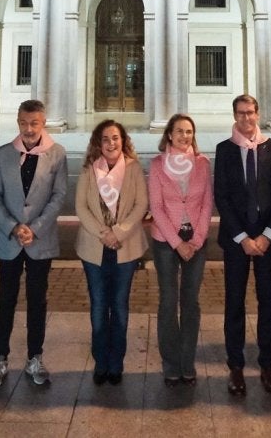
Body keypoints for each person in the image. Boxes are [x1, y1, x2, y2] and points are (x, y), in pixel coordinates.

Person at [0, 98, 68, 388]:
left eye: (34, 123)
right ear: (18, 122)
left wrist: (34, 228)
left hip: (39, 240)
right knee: (5, 299)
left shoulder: (57, 154)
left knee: (37, 301)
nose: (29, 128)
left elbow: (59, 196)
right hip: (9, 240)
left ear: (43, 123)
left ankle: (35, 356)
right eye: (23, 122)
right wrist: (13, 226)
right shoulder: (3, 153)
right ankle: (0, 357)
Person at [214, 93, 271, 396]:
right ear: (234, 116)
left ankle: (268, 365)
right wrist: (243, 238)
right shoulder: (225, 150)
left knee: (267, 302)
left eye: (251, 112)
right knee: (234, 303)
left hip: (267, 240)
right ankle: (235, 366)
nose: (246, 118)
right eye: (241, 113)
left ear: (258, 114)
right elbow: (222, 197)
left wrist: (266, 235)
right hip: (237, 241)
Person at [75, 119, 149, 385]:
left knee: (119, 306)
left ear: (123, 140)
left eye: (115, 138)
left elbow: (141, 205)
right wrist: (103, 234)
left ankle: (116, 362)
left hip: (125, 246)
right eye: (105, 139)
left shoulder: (133, 169)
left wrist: (118, 232)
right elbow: (81, 207)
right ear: (98, 142)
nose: (111, 143)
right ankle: (100, 361)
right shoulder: (88, 170)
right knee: (98, 306)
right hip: (94, 247)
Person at [147, 113, 212, 385]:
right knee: (168, 301)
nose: (185, 136)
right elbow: (156, 207)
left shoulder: (202, 164)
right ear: (169, 135)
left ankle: (187, 360)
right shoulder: (157, 165)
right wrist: (177, 242)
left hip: (196, 242)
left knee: (191, 302)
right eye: (179, 131)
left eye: (189, 131)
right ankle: (170, 362)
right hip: (165, 242)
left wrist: (195, 241)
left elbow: (207, 204)